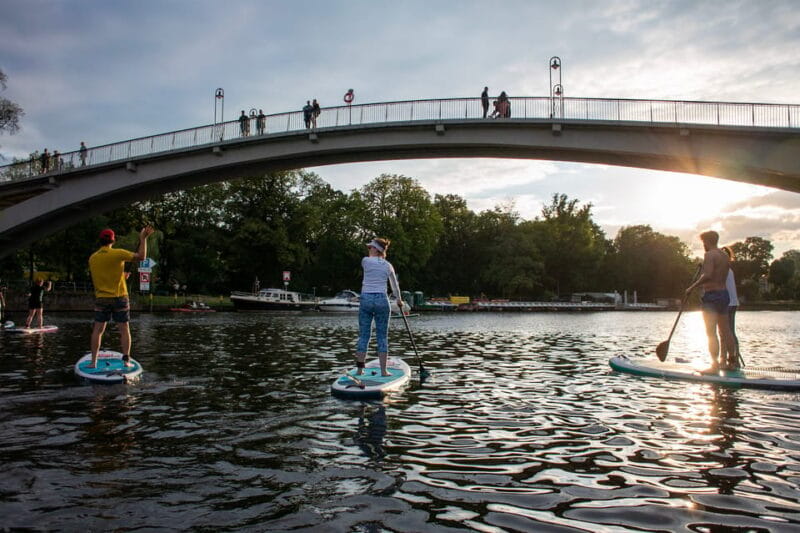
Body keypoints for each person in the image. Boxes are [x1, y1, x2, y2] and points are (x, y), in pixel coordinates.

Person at [87, 226, 155, 368]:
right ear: (113, 240)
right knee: (124, 329)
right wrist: (143, 239)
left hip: (102, 298)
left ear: (100, 241)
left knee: (98, 330)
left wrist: (122, 276)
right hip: (119, 297)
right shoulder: (118, 253)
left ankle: (93, 362)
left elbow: (104, 275)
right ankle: (126, 361)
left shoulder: (92, 258)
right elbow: (141, 257)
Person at [685, 231, 737, 372]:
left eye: (703, 242)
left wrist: (692, 287)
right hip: (724, 295)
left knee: (711, 332)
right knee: (726, 331)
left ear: (707, 241)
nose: (703, 245)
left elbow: (707, 275)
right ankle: (731, 362)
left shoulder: (710, 255)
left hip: (712, 296)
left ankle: (714, 365)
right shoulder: (725, 256)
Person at [355, 238, 403, 377]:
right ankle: (383, 371)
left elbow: (371, 262)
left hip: (366, 300)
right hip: (382, 300)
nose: (368, 249)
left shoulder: (365, 261)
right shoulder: (388, 266)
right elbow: (395, 286)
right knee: (382, 337)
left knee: (364, 336)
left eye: (371, 247)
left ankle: (359, 370)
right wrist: (399, 300)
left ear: (377, 250)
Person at [722, 246, 742, 363]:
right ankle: (725, 358)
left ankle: (733, 359)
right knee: (726, 332)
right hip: (730, 303)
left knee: (728, 332)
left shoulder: (725, 270)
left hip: (729, 303)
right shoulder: (728, 270)